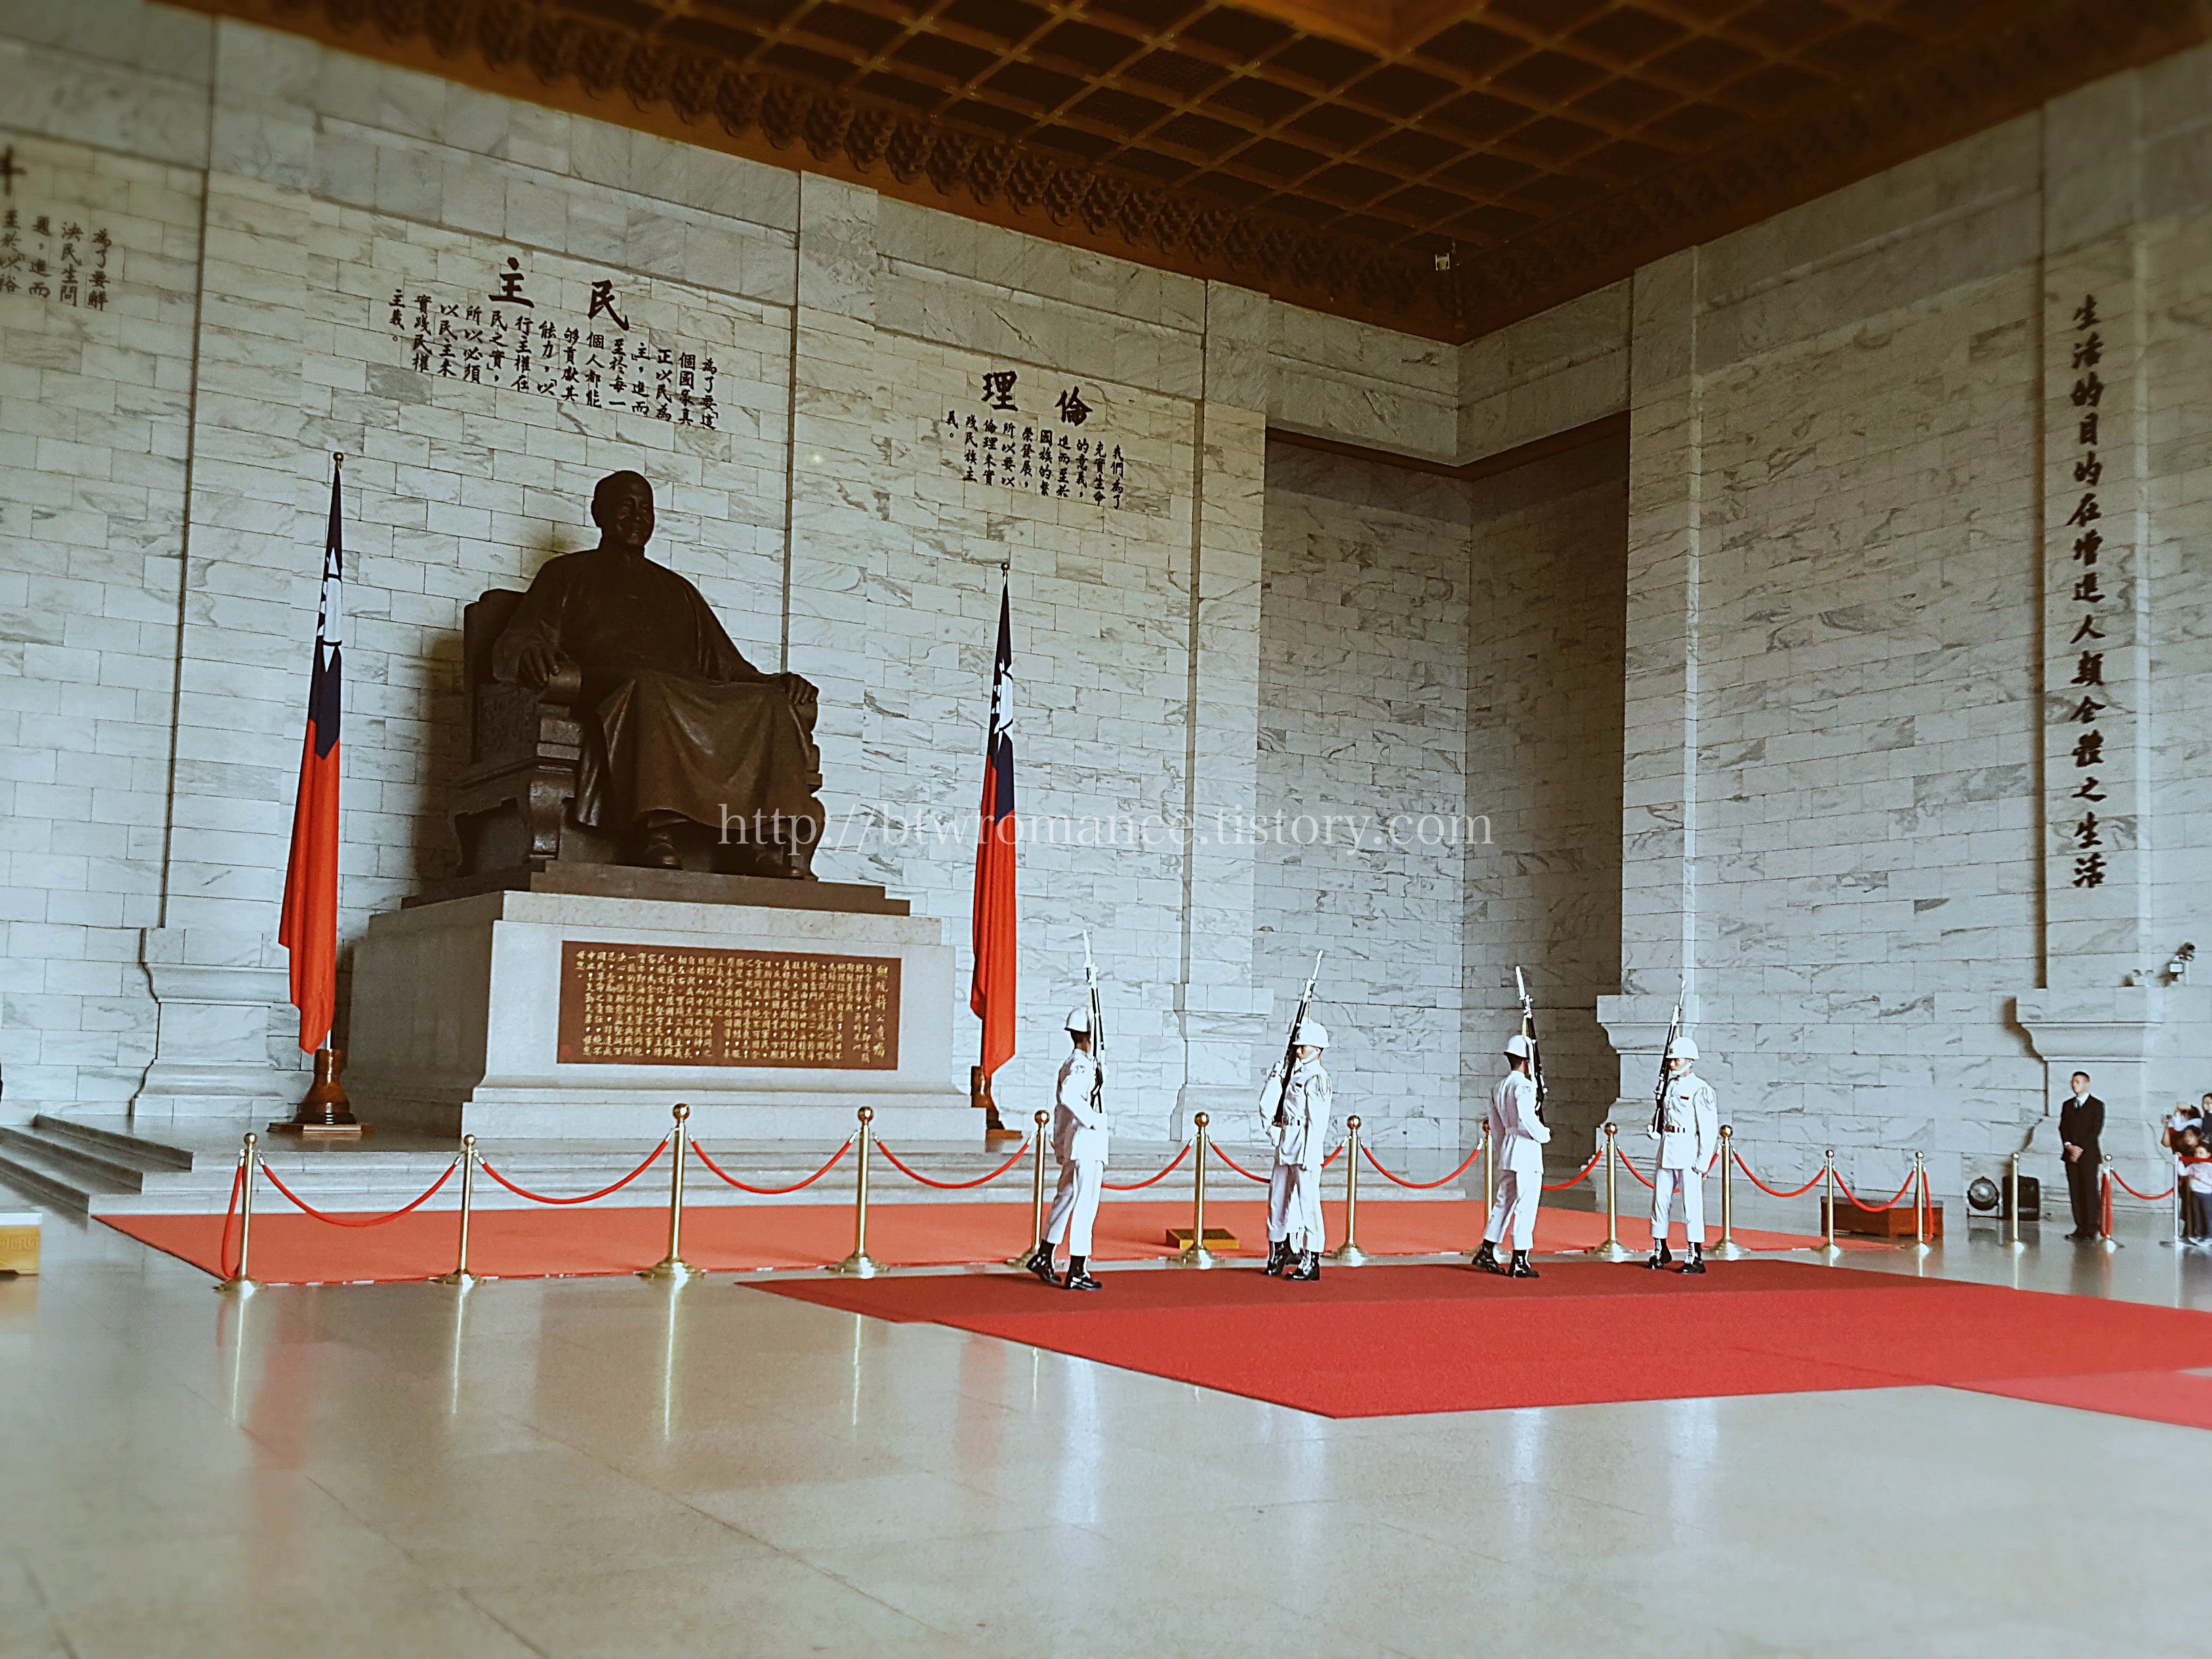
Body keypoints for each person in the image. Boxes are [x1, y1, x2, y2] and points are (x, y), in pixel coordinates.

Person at [493, 471, 825, 873]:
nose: (637, 516)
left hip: (681, 693)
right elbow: (520, 638)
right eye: (625, 506)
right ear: (598, 514)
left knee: (769, 702)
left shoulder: (677, 589)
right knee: (648, 686)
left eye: (646, 508)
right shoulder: (565, 574)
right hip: (615, 689)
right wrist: (530, 651)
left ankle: (755, 841)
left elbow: (727, 664)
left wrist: (775, 683)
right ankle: (656, 834)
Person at [1023, 1006, 1110, 1290]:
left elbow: (1061, 1112)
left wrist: (1061, 1145)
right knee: (1086, 1205)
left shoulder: (1074, 1062)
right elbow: (1069, 1097)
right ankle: (1077, 1269)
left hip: (1076, 1141)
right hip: (1087, 1142)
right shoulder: (1082, 1066)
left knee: (1067, 1197)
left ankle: (1045, 1255)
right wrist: (1093, 1120)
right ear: (1090, 1037)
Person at [1257, 1023, 1332, 1282]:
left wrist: (1311, 1154)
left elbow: (1318, 1122)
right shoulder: (1293, 1073)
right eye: (1297, 1045)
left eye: (1304, 1045)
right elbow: (1269, 1104)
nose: (1299, 1049)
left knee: (1308, 1205)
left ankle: (1311, 1259)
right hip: (1286, 1142)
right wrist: (1275, 1078)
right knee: (1277, 1200)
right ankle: (1278, 1251)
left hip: (1304, 1146)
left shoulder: (1317, 1078)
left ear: (1318, 1049)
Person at [1471, 1033, 1549, 1279]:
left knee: (1504, 1202)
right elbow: (1526, 1119)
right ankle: (1520, 1259)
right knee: (1526, 1205)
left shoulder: (1499, 1087)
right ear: (1527, 1062)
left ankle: (1487, 1250)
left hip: (1509, 1148)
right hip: (1526, 1150)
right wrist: (1544, 1134)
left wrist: (1502, 1149)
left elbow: (1496, 1126)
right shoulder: (1524, 1086)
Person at [1647, 1035, 1720, 1273]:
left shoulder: (1701, 1089)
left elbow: (1708, 1128)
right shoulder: (1670, 1086)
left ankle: (1694, 1254)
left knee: (1691, 1204)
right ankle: (1660, 1248)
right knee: (1660, 1201)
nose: (1671, 1064)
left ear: (1689, 1060)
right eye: (1670, 1060)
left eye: (1676, 1060)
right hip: (1668, 1147)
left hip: (1688, 1149)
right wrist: (1657, 1128)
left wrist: (1703, 1159)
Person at [2058, 1070, 2105, 1242]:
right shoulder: (2067, 1105)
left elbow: (2095, 1130)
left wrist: (2080, 1149)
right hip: (2070, 1154)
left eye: (2078, 1082)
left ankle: (2092, 1228)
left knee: (2089, 1190)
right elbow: (2063, 1127)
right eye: (2073, 1082)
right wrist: (2069, 1146)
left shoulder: (2096, 1105)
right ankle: (2080, 1226)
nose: (2074, 1085)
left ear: (2086, 1084)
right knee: (2075, 1191)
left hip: (2088, 1155)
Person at [2179, 1127, 2212, 1244]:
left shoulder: (2210, 1167)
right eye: (2196, 1152)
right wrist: (2179, 1161)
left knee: (2207, 1215)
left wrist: (2199, 1178)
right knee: (2197, 1215)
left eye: (2201, 1153)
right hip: (2195, 1193)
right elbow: (2183, 1173)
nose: (2198, 1155)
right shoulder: (2194, 1165)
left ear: (2208, 1154)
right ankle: (2198, 1234)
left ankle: (2209, 1235)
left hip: (2206, 1195)